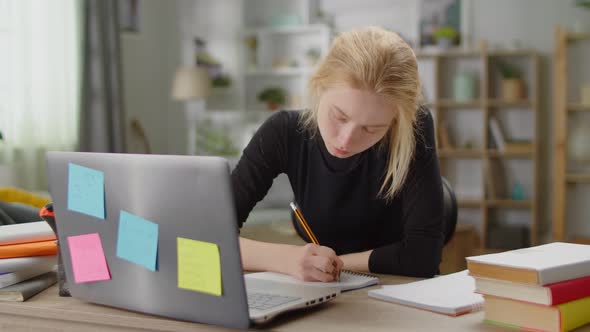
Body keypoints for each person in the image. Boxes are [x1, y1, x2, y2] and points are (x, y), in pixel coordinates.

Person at [231, 26, 444, 282]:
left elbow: (422, 258)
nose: (346, 140)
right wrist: (286, 259)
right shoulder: (283, 132)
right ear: (320, 86)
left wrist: (336, 264)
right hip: (323, 293)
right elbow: (205, 235)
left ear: (395, 123)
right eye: (339, 116)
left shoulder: (414, 128)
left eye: (371, 128)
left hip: (398, 292)